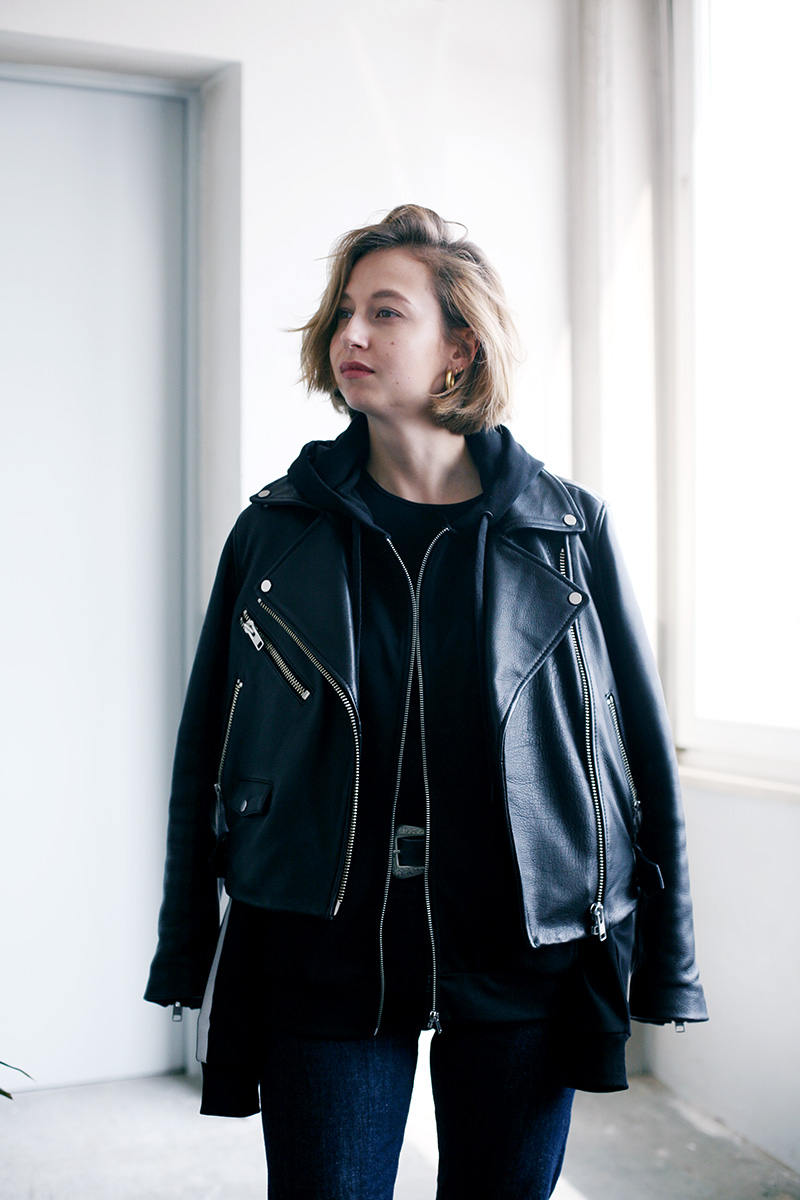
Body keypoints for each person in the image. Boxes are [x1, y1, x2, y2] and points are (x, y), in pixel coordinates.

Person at [145, 204, 707, 1199]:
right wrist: (186, 948)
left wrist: (669, 963)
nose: (350, 334)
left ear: (459, 345)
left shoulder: (566, 531)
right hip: (323, 953)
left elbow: (640, 759)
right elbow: (207, 750)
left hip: (518, 955)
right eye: (343, 312)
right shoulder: (275, 531)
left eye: (385, 312)